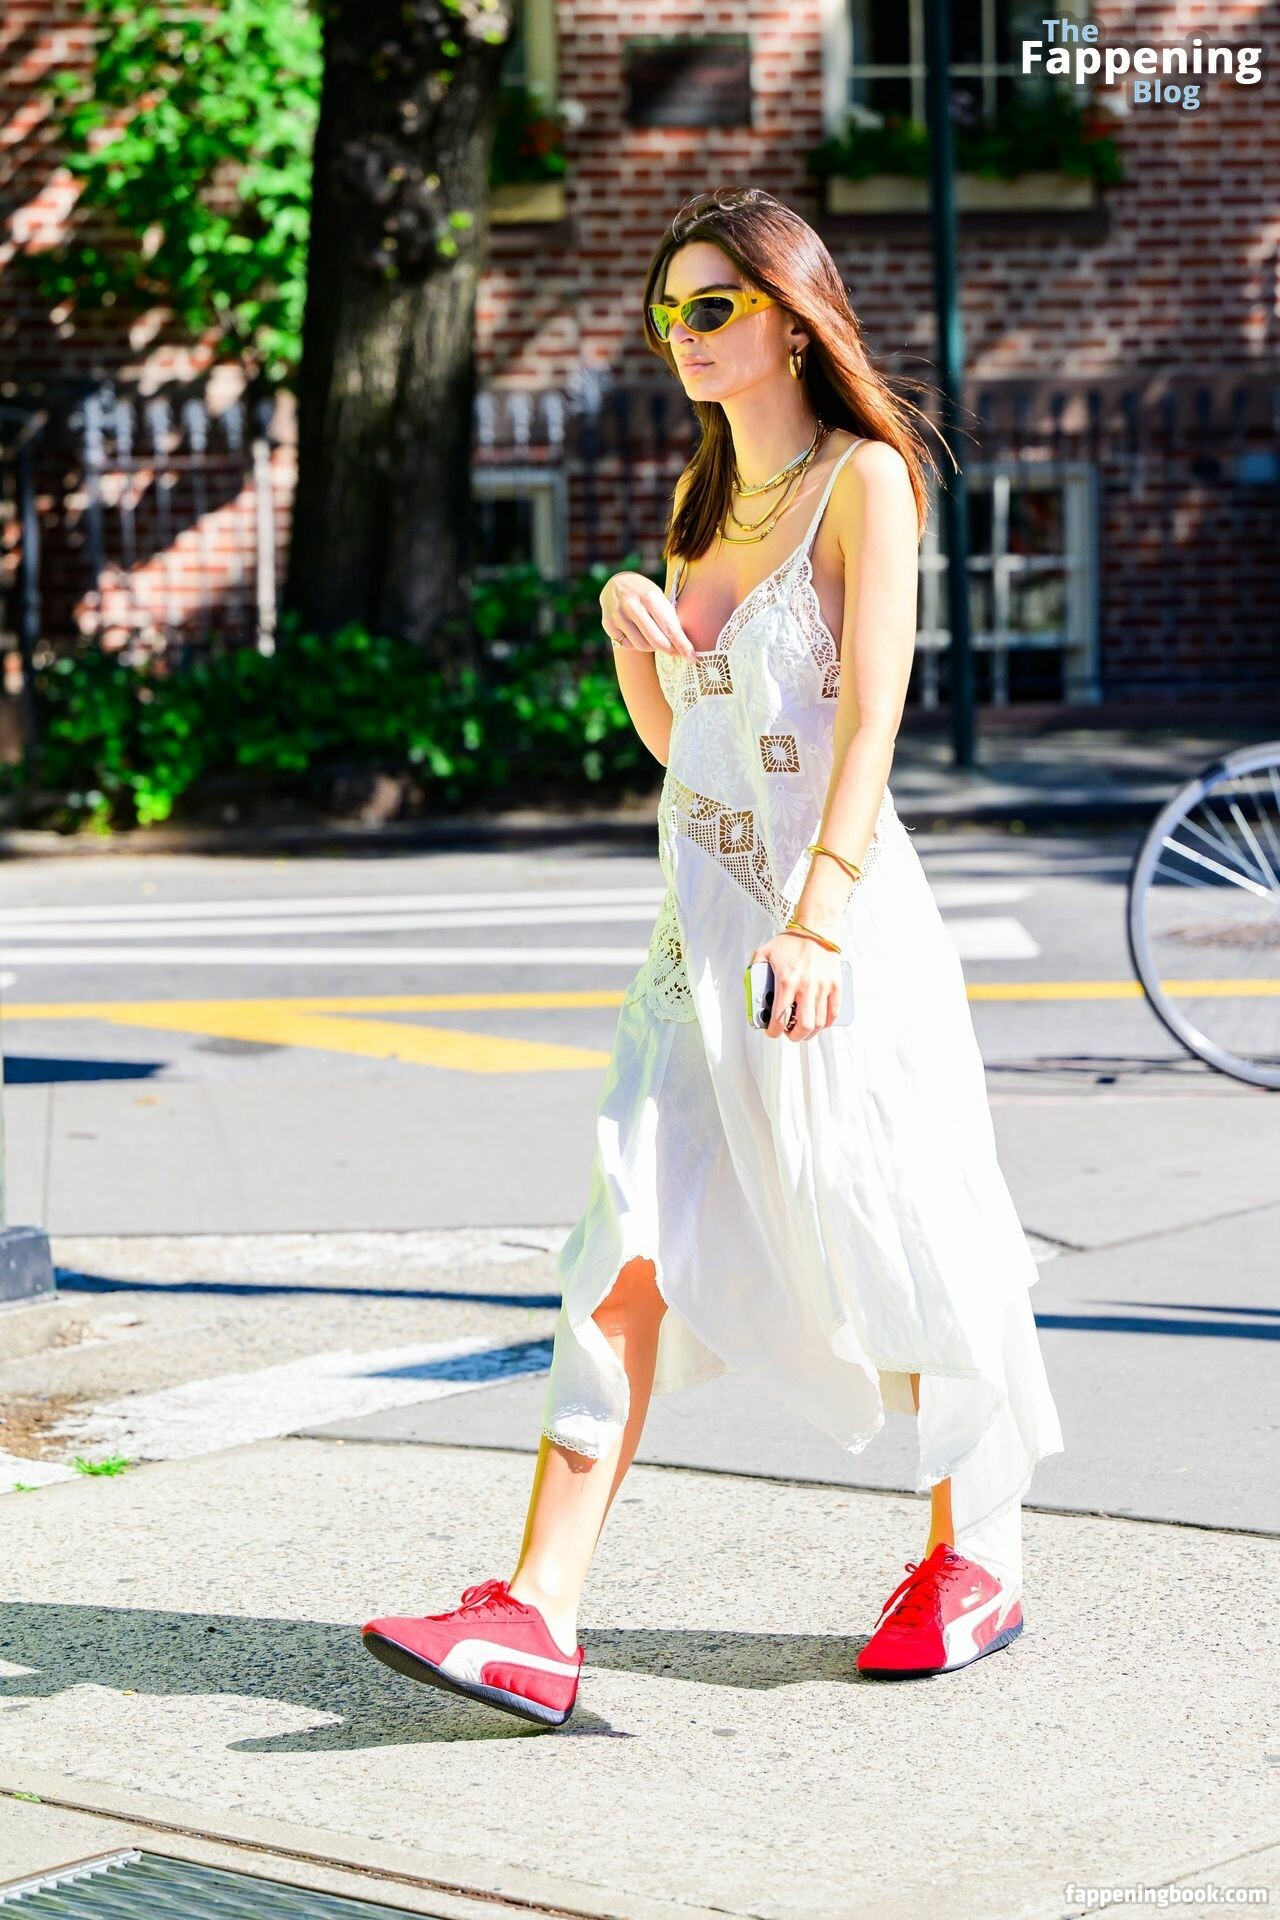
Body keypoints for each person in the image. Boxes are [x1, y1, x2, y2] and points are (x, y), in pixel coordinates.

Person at [361, 185, 1065, 1728]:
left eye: (711, 305)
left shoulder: (863, 481)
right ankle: (537, 1611)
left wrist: (818, 919)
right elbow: (689, 751)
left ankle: (976, 1553)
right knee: (622, 1243)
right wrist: (637, 645)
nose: (680, 333)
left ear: (792, 320)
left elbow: (869, 722)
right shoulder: (703, 507)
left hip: (833, 931)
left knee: (891, 1227)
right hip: (698, 944)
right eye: (665, 310)